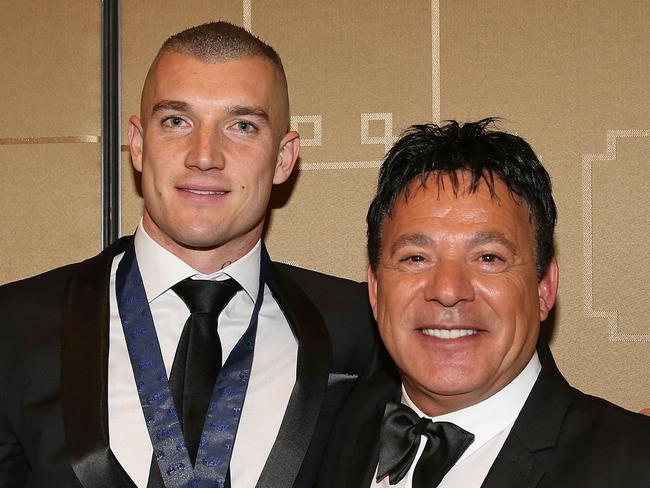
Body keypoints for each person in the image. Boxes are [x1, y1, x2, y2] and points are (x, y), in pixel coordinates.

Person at [0, 22, 379, 488]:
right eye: (176, 121)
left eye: (241, 126)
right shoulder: (13, 326)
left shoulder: (364, 329)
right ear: (138, 145)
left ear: (283, 157)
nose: (204, 155)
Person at [317, 119, 650, 487]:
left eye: (488, 258)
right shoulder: (329, 430)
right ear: (377, 290)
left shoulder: (635, 463)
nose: (447, 290)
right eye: (415, 258)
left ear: (543, 288)